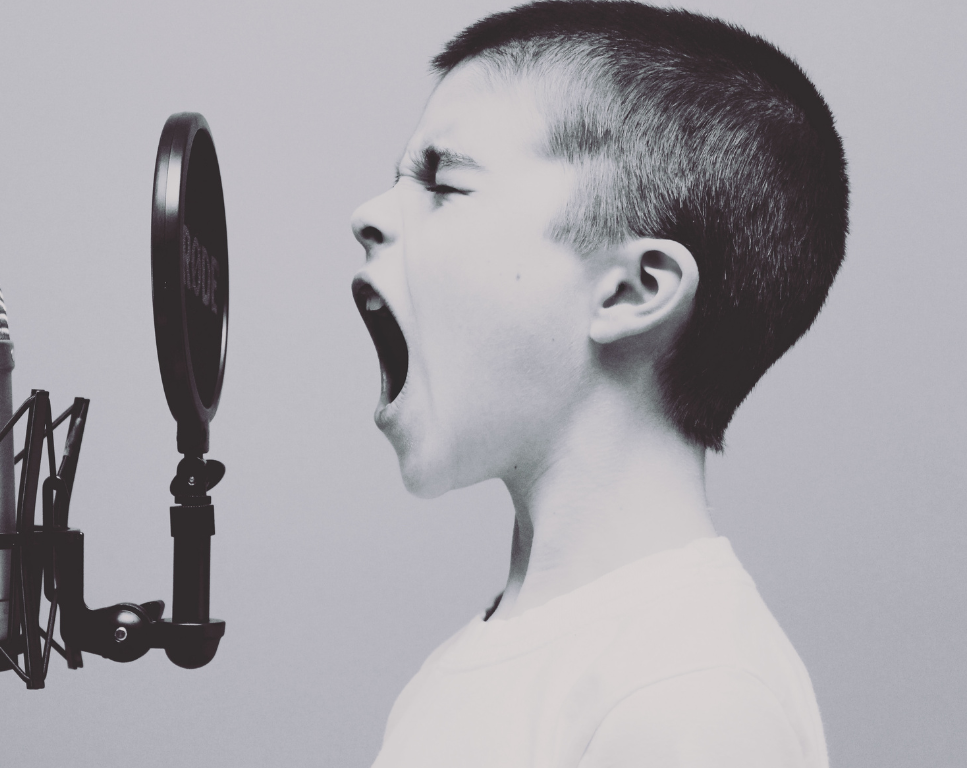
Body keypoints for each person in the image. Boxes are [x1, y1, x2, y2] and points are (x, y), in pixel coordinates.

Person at [348, 2, 847, 766]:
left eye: (443, 182)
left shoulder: (690, 699)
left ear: (632, 290)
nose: (370, 215)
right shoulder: (473, 666)